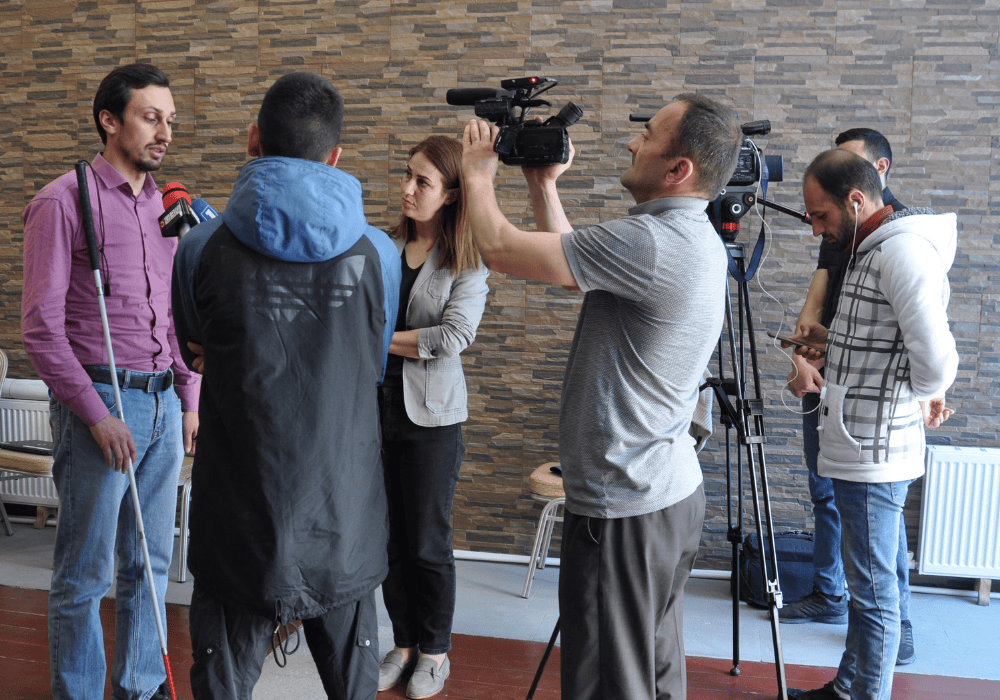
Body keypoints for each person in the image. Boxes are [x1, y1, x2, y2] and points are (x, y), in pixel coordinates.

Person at [461, 94, 743, 700]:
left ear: (678, 170)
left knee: (609, 684)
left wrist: (476, 172)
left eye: (647, 136)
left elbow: (501, 249)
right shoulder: (683, 235)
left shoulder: (652, 242)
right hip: (666, 495)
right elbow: (572, 266)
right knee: (652, 668)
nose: (630, 143)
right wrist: (542, 184)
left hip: (626, 508)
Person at [171, 72, 401, 700]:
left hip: (238, 517)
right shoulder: (379, 253)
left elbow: (195, 353)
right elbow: (369, 363)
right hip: (342, 511)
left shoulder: (198, 247)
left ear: (253, 140)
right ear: (335, 157)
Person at [20, 63, 200, 700]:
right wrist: (97, 414)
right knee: (85, 575)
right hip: (101, 404)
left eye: (170, 120)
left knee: (148, 569)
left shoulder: (166, 208)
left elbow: (178, 317)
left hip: (161, 405)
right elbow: (41, 329)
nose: (165, 133)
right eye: (152, 117)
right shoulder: (61, 201)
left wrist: (190, 398)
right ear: (109, 120)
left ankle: (142, 687)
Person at [786, 149, 958, 700]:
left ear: (855, 201)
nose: (815, 227)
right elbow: (886, 344)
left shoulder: (903, 253)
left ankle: (865, 693)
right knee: (867, 590)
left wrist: (924, 394)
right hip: (861, 444)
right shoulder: (867, 246)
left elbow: (935, 362)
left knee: (876, 596)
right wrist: (831, 347)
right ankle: (849, 686)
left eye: (821, 215)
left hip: (874, 452)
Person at [375, 136, 489, 699]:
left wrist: (372, 342)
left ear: (449, 195)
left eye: (422, 181)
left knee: (426, 541)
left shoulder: (466, 260)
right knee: (388, 539)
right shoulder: (379, 248)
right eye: (407, 176)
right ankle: (402, 642)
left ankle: (435, 650)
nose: (408, 188)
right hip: (372, 412)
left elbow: (452, 337)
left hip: (432, 420)